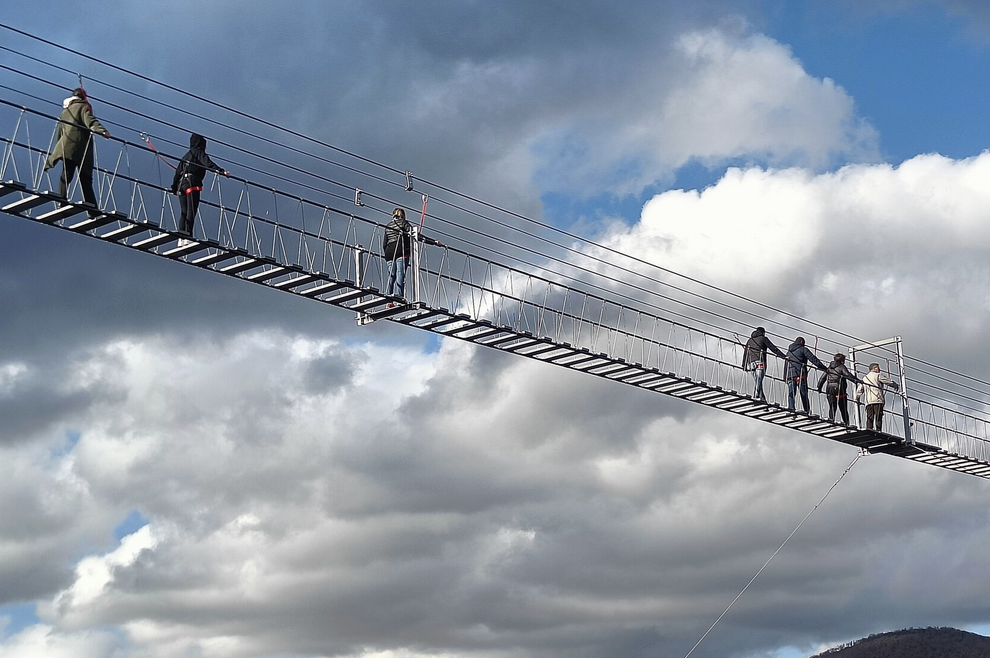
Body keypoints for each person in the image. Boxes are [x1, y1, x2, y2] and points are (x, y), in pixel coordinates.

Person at [44, 87, 110, 218]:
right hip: (80, 148)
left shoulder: (65, 111)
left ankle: (62, 200)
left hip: (66, 146)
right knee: (85, 178)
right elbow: (89, 120)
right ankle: (92, 209)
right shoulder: (82, 107)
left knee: (67, 173)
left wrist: (59, 148)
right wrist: (102, 131)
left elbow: (60, 131)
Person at [170, 133, 229, 244]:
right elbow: (208, 164)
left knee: (183, 211)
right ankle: (188, 237)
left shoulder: (186, 156)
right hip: (193, 183)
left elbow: (177, 173)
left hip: (181, 185)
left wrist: (174, 188)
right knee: (191, 211)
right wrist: (221, 171)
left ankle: (181, 238)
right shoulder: (199, 153)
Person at [381, 207, 442, 303]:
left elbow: (384, 244)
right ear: (403, 215)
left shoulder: (388, 225)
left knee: (391, 276)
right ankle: (400, 297)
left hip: (389, 252)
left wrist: (387, 253)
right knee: (400, 273)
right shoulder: (404, 223)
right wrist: (433, 242)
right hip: (401, 250)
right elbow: (416, 235)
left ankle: (389, 300)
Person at [741, 327, 786, 402]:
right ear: (763, 332)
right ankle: (755, 396)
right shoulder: (763, 338)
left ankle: (763, 400)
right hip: (760, 362)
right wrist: (784, 356)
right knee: (758, 381)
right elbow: (773, 348)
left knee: (758, 381)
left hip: (751, 363)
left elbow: (745, 353)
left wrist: (744, 365)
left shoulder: (749, 340)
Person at [784, 337, 827, 413]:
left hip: (790, 375)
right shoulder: (803, 349)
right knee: (803, 393)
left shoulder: (789, 352)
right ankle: (807, 410)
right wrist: (824, 368)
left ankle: (791, 409)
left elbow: (786, 364)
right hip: (800, 374)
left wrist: (785, 377)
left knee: (791, 393)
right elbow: (813, 359)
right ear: (801, 342)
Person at [816, 353, 860, 425]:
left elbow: (822, 378)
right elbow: (848, 375)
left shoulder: (829, 368)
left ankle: (831, 420)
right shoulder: (841, 367)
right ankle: (846, 423)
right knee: (843, 409)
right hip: (840, 390)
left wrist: (819, 388)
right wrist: (857, 381)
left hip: (829, 389)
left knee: (832, 407)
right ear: (842, 360)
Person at [855, 363, 900, 432]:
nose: (880, 369)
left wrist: (857, 398)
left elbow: (859, 390)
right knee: (878, 416)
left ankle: (869, 430)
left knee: (870, 417)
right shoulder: (878, 375)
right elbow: (887, 381)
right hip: (877, 399)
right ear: (875, 368)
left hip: (868, 401)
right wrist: (895, 385)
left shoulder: (865, 378)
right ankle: (878, 430)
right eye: (878, 368)